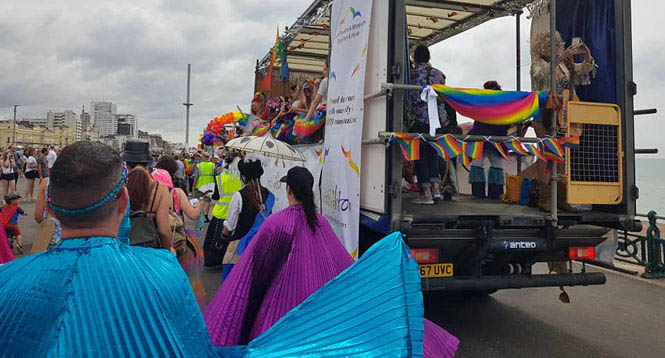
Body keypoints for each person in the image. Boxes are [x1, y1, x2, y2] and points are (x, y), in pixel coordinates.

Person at [204, 167, 460, 356]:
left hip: (282, 312)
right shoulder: (320, 222)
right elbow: (338, 263)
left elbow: (256, 267)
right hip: (318, 305)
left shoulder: (278, 222)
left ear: (289, 190)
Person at [0, 141, 219, 357]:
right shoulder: (164, 270)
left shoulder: (6, 280)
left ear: (50, 208)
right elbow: (193, 346)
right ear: (124, 202)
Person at [220, 157, 274, 280]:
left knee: (234, 279)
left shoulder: (239, 196)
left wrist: (223, 236)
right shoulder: (269, 195)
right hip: (261, 245)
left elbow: (230, 225)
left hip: (240, 245)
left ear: (243, 176)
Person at [408, 45, 447, 204]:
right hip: (437, 120)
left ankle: (426, 193)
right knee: (433, 154)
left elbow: (409, 96)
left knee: (420, 155)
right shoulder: (439, 74)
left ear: (415, 58)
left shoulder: (412, 74)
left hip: (420, 119)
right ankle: (436, 189)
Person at [123, 139, 174, 250]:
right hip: (149, 248)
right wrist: (169, 251)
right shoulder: (160, 188)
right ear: (148, 162)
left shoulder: (118, 187)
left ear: (126, 163)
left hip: (122, 247)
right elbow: (164, 230)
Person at [468, 81, 510, 199]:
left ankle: (478, 193)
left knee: (477, 164)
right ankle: (496, 193)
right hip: (498, 138)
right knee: (497, 165)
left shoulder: (482, 101)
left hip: (479, 137)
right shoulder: (504, 103)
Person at [203, 152, 242, 268]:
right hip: (236, 215)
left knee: (214, 240)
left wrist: (209, 195)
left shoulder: (220, 178)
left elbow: (216, 196)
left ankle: (214, 262)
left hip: (220, 214)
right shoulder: (242, 179)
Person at [34, 177, 62, 249]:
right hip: (81, 240)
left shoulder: (46, 182)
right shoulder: (85, 181)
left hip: (53, 238)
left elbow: (38, 216)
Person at [194, 152, 215, 222]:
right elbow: (215, 176)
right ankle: (206, 215)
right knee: (207, 201)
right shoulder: (213, 165)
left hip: (200, 185)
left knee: (200, 200)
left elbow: (196, 177)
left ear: (203, 157)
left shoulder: (198, 165)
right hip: (210, 185)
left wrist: (194, 185)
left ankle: (200, 215)